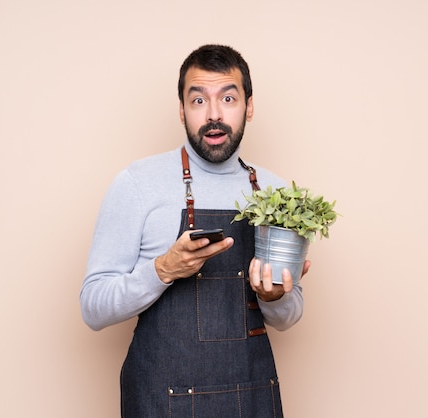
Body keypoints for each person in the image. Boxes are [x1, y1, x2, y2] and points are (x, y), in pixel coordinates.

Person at [80, 44, 309, 417]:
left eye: (228, 98)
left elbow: (289, 315)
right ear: (181, 110)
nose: (214, 115)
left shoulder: (276, 194)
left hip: (250, 396)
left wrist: (275, 298)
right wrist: (162, 271)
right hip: (163, 400)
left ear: (249, 107)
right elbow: (92, 307)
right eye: (198, 100)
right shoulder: (137, 184)